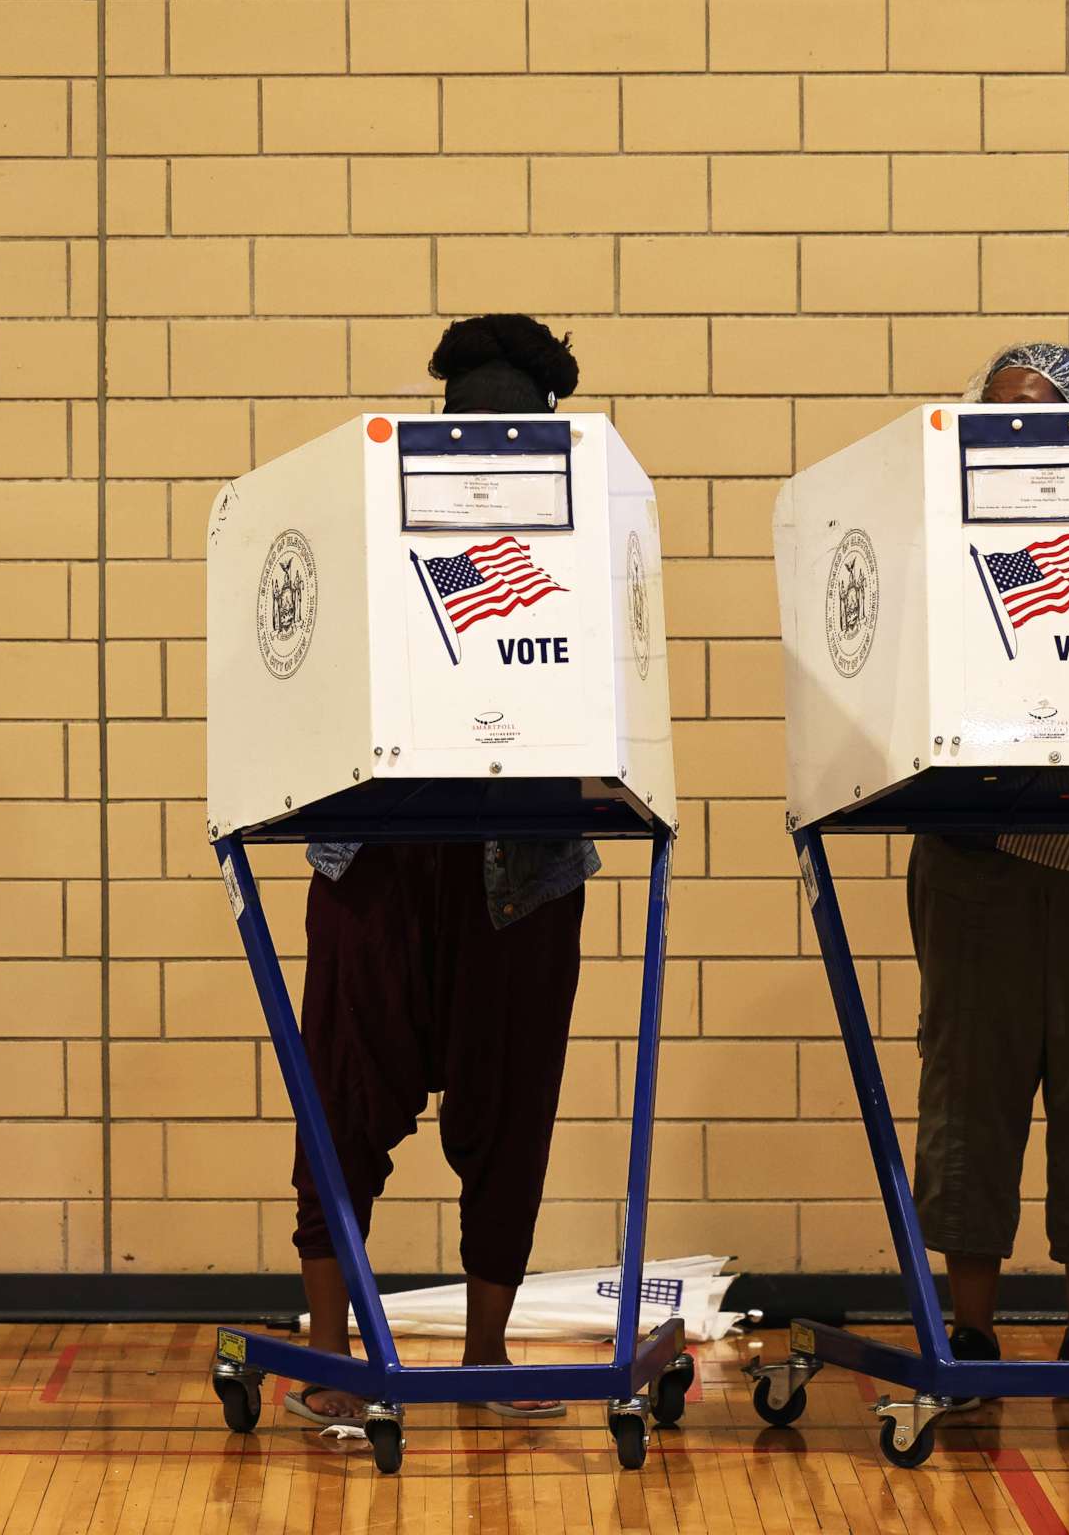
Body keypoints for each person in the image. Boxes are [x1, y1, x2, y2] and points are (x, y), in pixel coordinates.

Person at [288, 314, 598, 1426]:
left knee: (508, 1116)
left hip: (521, 864)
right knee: (342, 1105)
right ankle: (332, 1353)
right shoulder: (366, 519)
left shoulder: (592, 529)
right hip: (381, 848)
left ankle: (483, 1355)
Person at [913, 342, 1069, 1400]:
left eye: (1034, 412)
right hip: (979, 854)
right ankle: (969, 1334)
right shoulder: (949, 542)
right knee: (972, 1081)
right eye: (992, 412)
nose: (1007, 430)